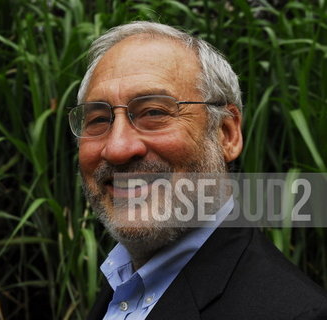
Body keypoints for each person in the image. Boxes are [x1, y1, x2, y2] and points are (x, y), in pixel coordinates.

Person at [68, 21, 327, 320]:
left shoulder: (297, 314)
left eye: (154, 112)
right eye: (99, 119)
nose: (117, 148)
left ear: (227, 134)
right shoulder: (123, 284)